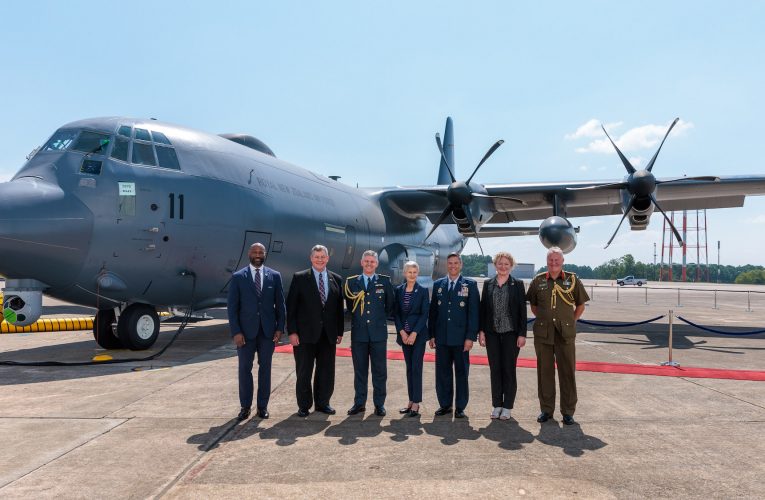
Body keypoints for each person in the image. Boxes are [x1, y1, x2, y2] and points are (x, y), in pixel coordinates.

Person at [526, 246, 590, 425]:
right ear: (546, 262)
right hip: (543, 334)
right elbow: (534, 305)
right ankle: (546, 410)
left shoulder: (572, 279)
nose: (553, 263)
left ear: (562, 261)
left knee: (567, 372)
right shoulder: (538, 280)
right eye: (550, 260)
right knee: (544, 373)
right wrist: (544, 319)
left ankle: (568, 411)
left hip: (565, 334)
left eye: (556, 260)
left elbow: (580, 305)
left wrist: (571, 320)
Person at [227, 242, 286, 421]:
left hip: (268, 333)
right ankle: (245, 407)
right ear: (249, 254)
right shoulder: (238, 277)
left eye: (261, 252)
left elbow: (280, 305)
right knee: (244, 369)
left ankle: (262, 406)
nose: (258, 254)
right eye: (255, 252)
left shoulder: (274, 276)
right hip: (245, 333)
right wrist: (236, 332)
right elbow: (232, 308)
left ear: (265, 254)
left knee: (265, 369)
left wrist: (279, 328)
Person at [286, 245, 345, 417]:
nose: (320, 259)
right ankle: (304, 405)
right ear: (311, 258)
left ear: (327, 259)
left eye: (323, 257)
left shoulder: (336, 279)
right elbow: (291, 308)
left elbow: (338, 309)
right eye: (316, 256)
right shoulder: (300, 278)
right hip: (304, 335)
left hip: (328, 335)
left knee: (326, 370)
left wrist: (339, 331)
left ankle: (323, 403)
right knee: (304, 371)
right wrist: (292, 332)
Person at [343, 250, 395, 416]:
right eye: (366, 261)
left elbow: (390, 307)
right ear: (361, 262)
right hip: (359, 335)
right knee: (360, 371)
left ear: (377, 264)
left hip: (378, 335)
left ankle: (379, 404)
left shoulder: (385, 282)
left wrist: (378, 322)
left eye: (372, 261)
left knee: (380, 371)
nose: (369, 264)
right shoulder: (351, 283)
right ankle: (359, 403)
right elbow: (351, 308)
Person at [428, 253, 480, 418]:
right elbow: (433, 312)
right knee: (442, 373)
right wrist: (432, 335)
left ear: (461, 265)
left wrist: (470, 337)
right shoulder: (438, 285)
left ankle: (460, 407)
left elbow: (474, 313)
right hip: (442, 338)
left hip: (461, 339)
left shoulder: (470, 285)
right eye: (450, 263)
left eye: (456, 263)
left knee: (462, 373)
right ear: (446, 265)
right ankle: (445, 405)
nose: (452, 266)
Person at [478, 251, 527, 421]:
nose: (503, 267)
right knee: (495, 370)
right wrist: (482, 331)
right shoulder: (488, 284)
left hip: (511, 334)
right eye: (500, 263)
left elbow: (522, 311)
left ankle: (507, 407)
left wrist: (522, 334)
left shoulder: (518, 284)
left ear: (511, 266)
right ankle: (497, 404)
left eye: (506, 264)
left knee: (508, 370)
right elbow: (483, 309)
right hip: (492, 333)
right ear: (495, 265)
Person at [393, 260, 430, 418]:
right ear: (404, 273)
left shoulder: (422, 291)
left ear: (418, 273)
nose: (412, 275)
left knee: (416, 368)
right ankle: (410, 401)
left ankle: (416, 403)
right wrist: (402, 332)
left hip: (418, 336)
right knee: (409, 369)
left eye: (415, 272)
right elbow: (396, 313)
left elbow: (424, 314)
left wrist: (414, 333)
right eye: (409, 272)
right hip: (404, 336)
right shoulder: (399, 290)